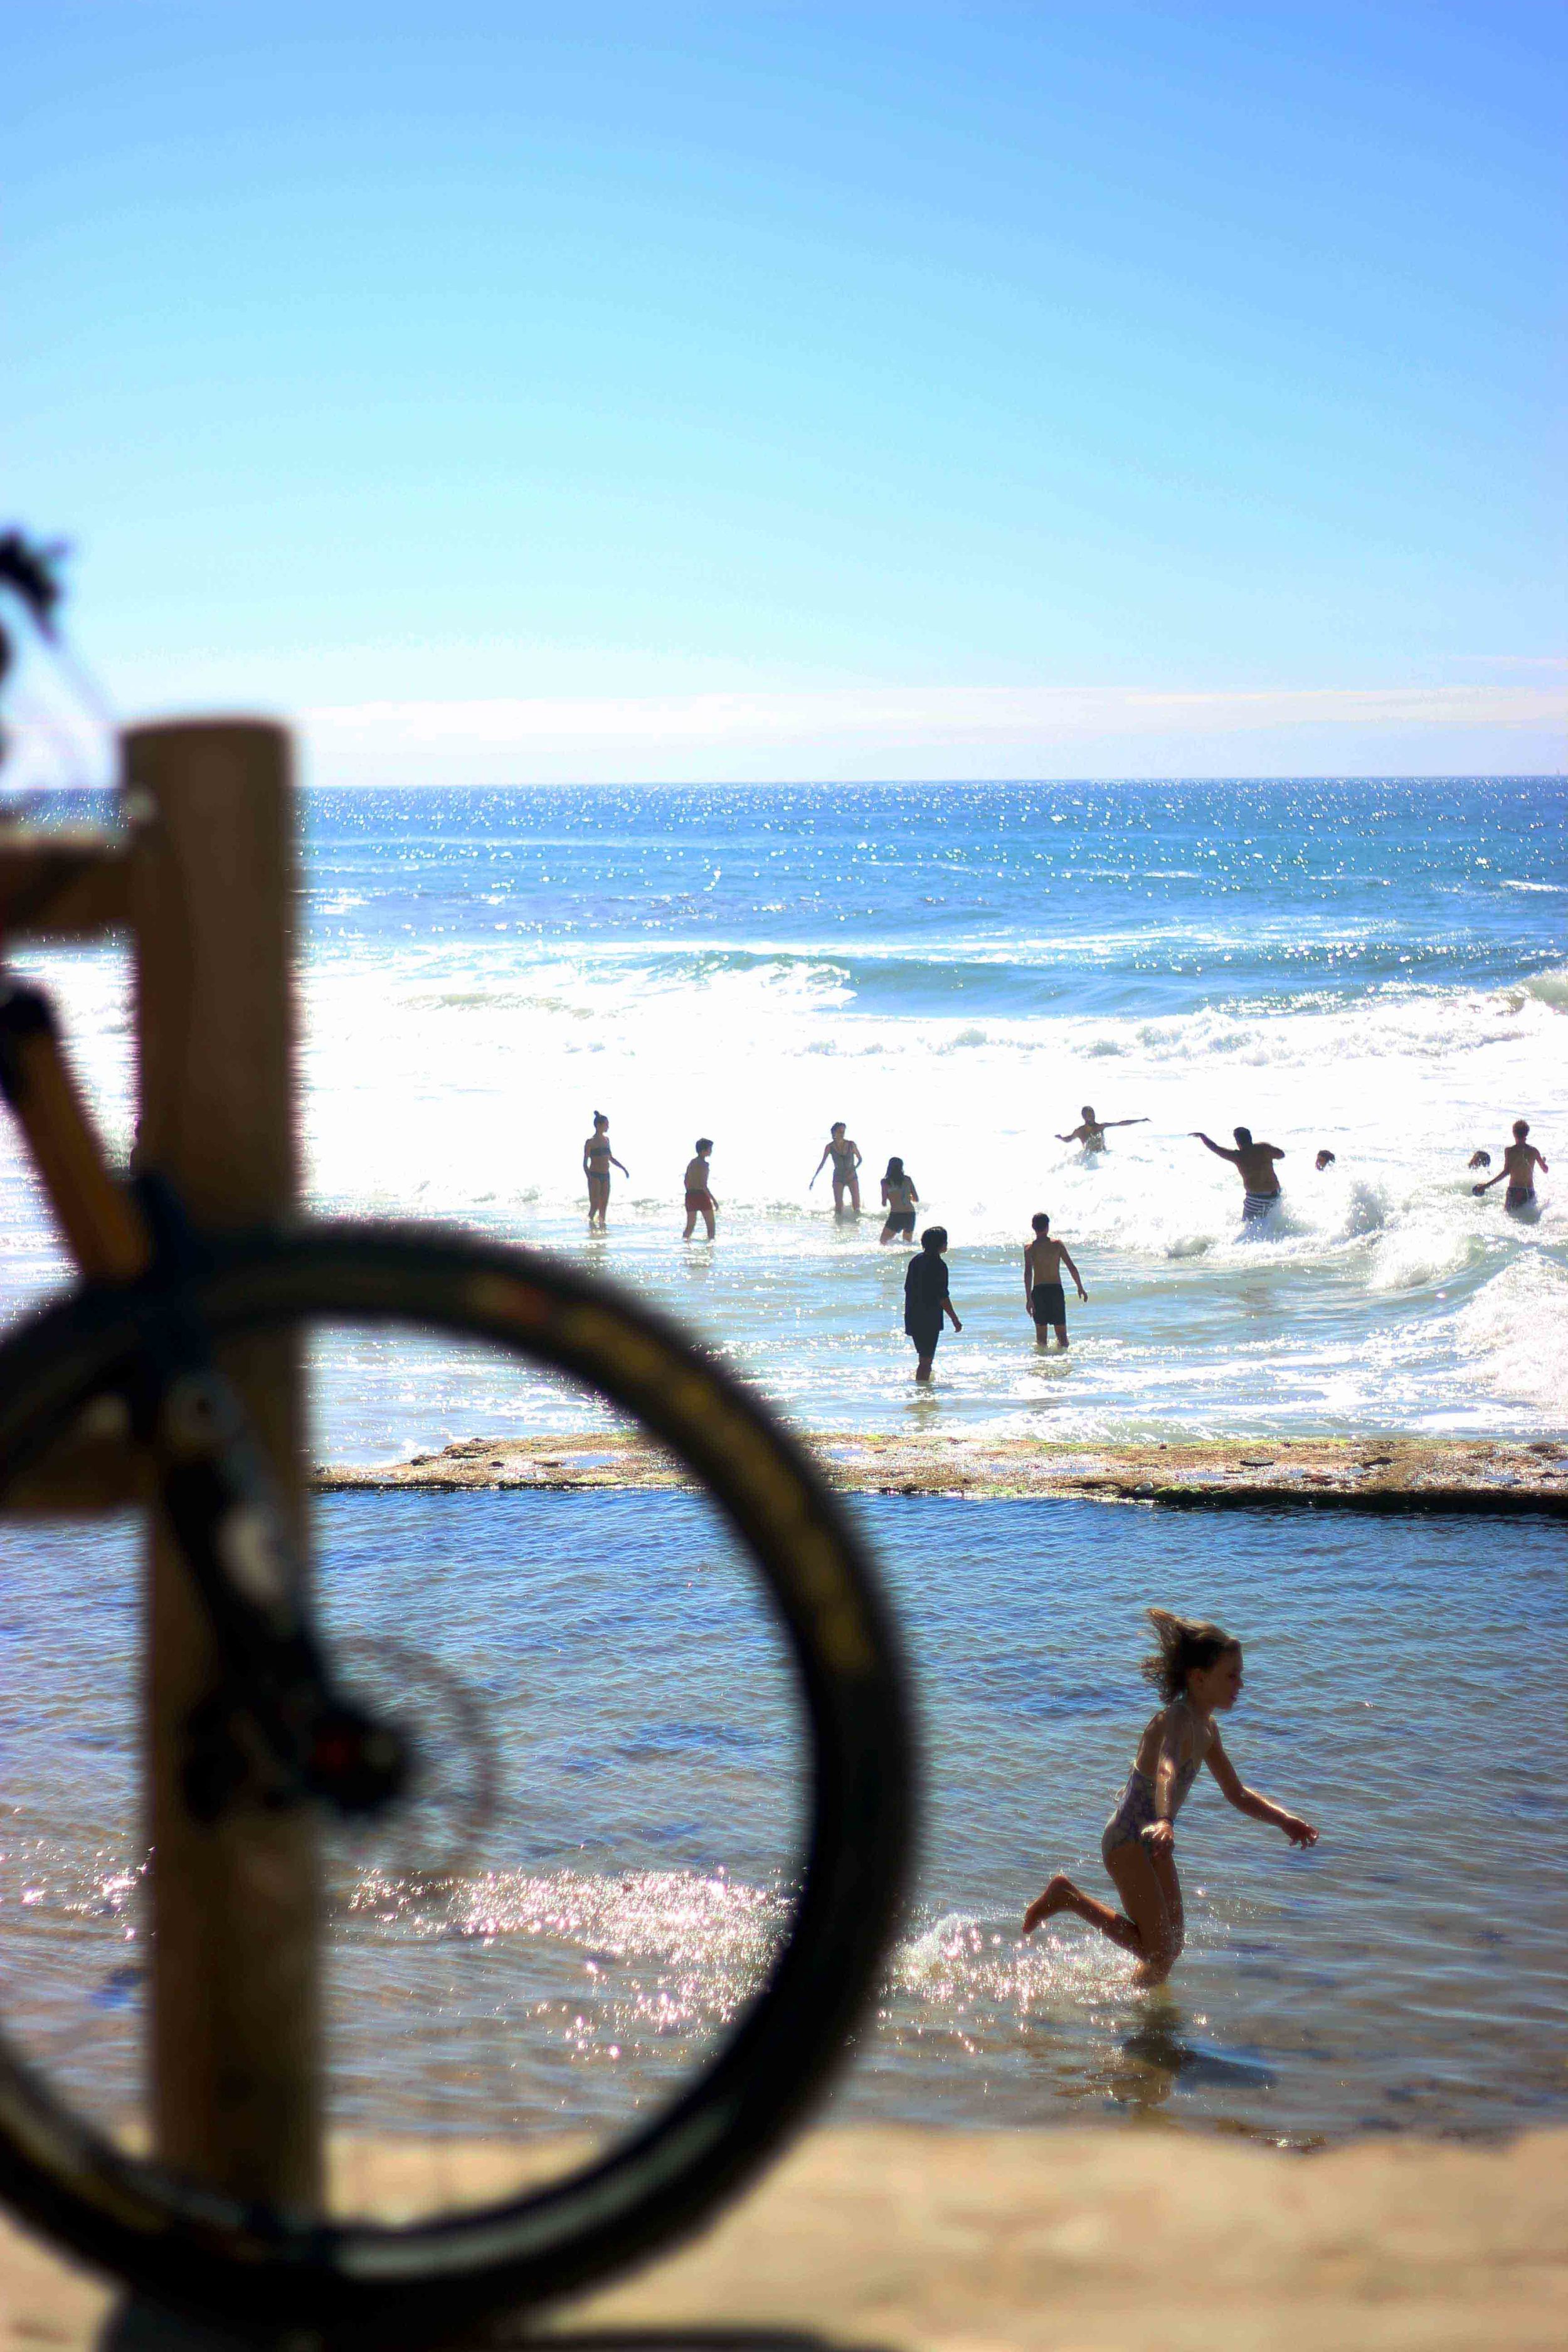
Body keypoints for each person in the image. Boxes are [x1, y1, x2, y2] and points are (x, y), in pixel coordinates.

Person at [1022, 1609, 1318, 1989]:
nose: (1240, 1684)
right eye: (1231, 1675)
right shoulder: (1177, 1720)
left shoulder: (1207, 1729)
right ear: (1198, 1678)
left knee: (1169, 1949)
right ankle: (1068, 1897)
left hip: (1157, 1844)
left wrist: (1285, 1820)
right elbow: (1167, 1769)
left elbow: (1237, 1793)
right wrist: (1165, 1819)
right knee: (1158, 1949)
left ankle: (1141, 2011)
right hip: (1130, 1839)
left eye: (1240, 1675)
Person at [903, 1225, 961, 1381]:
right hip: (929, 1318)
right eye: (945, 1241)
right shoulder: (939, 1266)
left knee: (924, 1358)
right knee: (926, 1361)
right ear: (940, 1245)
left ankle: (922, 1390)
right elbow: (943, 1296)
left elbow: (907, 1289)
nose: (947, 1244)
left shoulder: (916, 1261)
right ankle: (922, 1395)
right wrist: (955, 1319)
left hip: (913, 1314)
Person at [1192, 1125, 1285, 1221]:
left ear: (1237, 1141)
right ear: (1250, 1138)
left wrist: (1203, 1137)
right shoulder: (1264, 1148)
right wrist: (1265, 1150)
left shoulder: (1238, 1156)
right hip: (1275, 1195)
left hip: (1256, 1199)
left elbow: (1215, 1148)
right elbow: (1281, 1155)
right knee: (1273, 1223)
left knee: (1247, 1227)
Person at [1023, 1212, 1086, 1349]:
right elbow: (1071, 1267)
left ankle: (1042, 1365)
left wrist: (1029, 1298)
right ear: (1047, 1227)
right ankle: (1063, 1363)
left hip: (1038, 1292)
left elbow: (1028, 1274)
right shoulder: (1057, 1245)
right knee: (1062, 1338)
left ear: (1033, 1227)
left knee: (1041, 1340)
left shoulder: (1029, 1249)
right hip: (1055, 1291)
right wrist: (1080, 1287)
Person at [1473, 1119, 1548, 1212]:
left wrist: (1486, 1186)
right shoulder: (1534, 1151)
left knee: (1510, 1219)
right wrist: (1543, 1162)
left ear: (1514, 1133)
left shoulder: (1510, 1151)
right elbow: (1545, 1170)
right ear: (1526, 1133)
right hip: (1528, 1192)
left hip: (1514, 1192)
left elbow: (1506, 1172)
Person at [583, 1113, 629, 1230]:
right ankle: (590, 1228)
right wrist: (590, 1177)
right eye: (606, 1124)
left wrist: (624, 1169)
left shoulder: (607, 1140)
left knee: (604, 1205)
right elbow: (585, 1163)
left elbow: (611, 1158)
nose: (608, 1126)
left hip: (606, 1175)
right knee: (595, 1205)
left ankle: (602, 1229)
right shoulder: (590, 1142)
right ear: (599, 1125)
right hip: (595, 1175)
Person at [810, 1121, 863, 1214]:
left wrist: (854, 1169)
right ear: (834, 1133)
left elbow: (860, 1159)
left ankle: (856, 1225)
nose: (842, 1134)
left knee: (856, 1205)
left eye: (843, 1132)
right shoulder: (830, 1147)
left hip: (851, 1176)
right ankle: (838, 1225)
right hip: (838, 1177)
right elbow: (822, 1163)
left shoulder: (851, 1145)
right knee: (838, 1206)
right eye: (839, 1132)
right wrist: (814, 1179)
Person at [1057, 1104, 1148, 1155]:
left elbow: (1120, 1123)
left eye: (1093, 1115)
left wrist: (1140, 1120)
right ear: (1084, 1117)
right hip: (1089, 1157)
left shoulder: (1100, 1127)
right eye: (1089, 1116)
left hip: (1103, 1156)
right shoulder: (1080, 1131)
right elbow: (1069, 1139)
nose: (1092, 1117)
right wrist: (1060, 1138)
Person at [682, 1138, 718, 1240]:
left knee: (690, 1227)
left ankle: (685, 1247)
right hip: (701, 1195)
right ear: (704, 1151)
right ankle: (710, 1248)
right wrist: (714, 1200)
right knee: (711, 1227)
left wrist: (690, 1191)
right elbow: (703, 1185)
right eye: (710, 1149)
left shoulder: (692, 1163)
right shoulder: (704, 1165)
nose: (711, 1151)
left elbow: (686, 1180)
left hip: (690, 1195)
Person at [879, 1156, 919, 1245]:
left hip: (896, 1214)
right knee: (908, 1244)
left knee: (883, 1242)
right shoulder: (908, 1179)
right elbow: (916, 1199)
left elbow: (884, 1203)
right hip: (910, 1214)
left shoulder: (885, 1182)